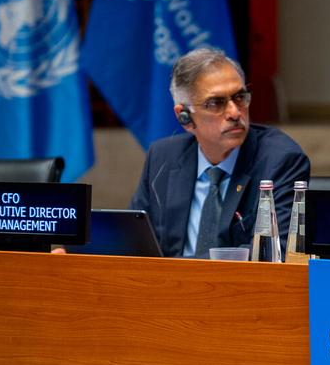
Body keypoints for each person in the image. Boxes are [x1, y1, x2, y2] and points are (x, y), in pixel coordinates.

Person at [131, 47, 310, 258]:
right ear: (184, 117)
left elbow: (270, 252)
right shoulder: (162, 158)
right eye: (216, 103)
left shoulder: (280, 160)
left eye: (240, 97)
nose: (235, 112)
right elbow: (135, 242)